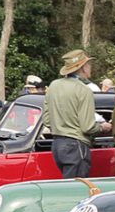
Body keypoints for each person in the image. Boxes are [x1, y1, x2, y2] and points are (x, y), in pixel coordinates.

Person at [46, 49, 107, 177]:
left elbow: (46, 119)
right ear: (83, 68)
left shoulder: (53, 86)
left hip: (57, 144)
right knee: (77, 189)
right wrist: (103, 126)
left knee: (68, 186)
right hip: (76, 145)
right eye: (88, 64)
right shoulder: (83, 90)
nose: (90, 67)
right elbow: (87, 126)